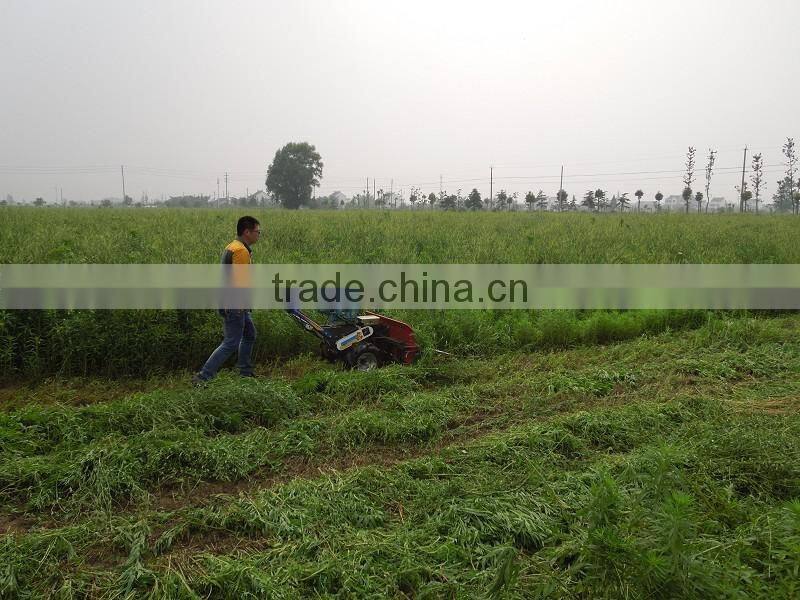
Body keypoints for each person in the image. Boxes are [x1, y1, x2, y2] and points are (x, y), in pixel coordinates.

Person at [192, 216, 261, 384]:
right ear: (247, 232)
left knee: (250, 334)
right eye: (257, 232)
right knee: (230, 342)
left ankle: (245, 371)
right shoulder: (240, 251)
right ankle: (203, 377)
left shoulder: (232, 246)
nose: (259, 235)